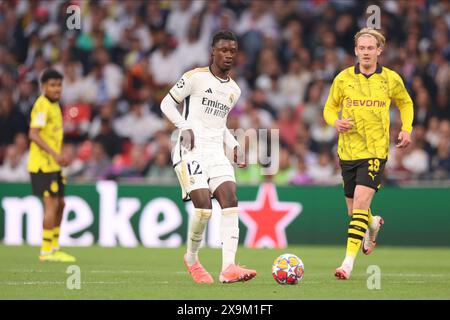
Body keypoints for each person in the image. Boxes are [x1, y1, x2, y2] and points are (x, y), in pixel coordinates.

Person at [160, 30, 257, 284]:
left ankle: (228, 268)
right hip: (190, 150)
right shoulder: (195, 77)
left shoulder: (233, 90)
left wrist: (233, 144)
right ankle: (191, 259)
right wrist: (184, 127)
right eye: (223, 50)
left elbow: (219, 123)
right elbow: (166, 104)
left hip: (216, 151)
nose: (228, 55)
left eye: (232, 51)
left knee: (230, 197)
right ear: (212, 52)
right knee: (203, 209)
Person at [323, 28, 414, 280]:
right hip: (347, 152)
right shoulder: (343, 78)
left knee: (361, 203)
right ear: (355, 50)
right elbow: (329, 108)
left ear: (379, 51)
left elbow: (406, 103)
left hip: (374, 151)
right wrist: (335, 122)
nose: (365, 52)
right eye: (361, 48)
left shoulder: (390, 79)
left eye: (370, 48)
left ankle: (347, 264)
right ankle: (372, 224)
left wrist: (406, 129)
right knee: (356, 214)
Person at [28, 69, 76, 262]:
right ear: (43, 87)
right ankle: (46, 251)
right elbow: (33, 134)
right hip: (42, 165)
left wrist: (61, 153)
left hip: (54, 165)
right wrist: (55, 154)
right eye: (52, 85)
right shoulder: (42, 105)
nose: (57, 89)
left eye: (59, 85)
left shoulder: (55, 105)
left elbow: (54, 135)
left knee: (61, 204)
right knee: (52, 205)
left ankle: (54, 246)